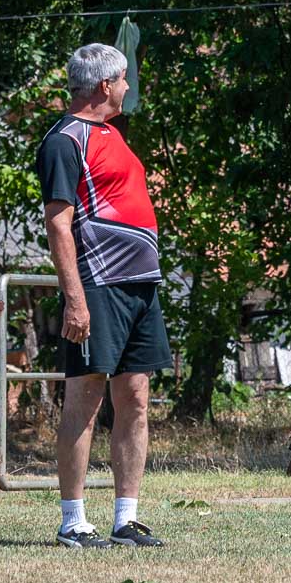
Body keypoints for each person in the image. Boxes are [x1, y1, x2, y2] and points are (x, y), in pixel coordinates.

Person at [37, 43, 172, 549]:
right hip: (99, 285)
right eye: (123, 79)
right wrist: (75, 299)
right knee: (86, 399)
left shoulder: (112, 134)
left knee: (135, 398)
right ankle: (73, 521)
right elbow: (58, 223)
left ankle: (125, 518)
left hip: (140, 286)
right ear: (103, 85)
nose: (128, 87)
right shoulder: (64, 140)